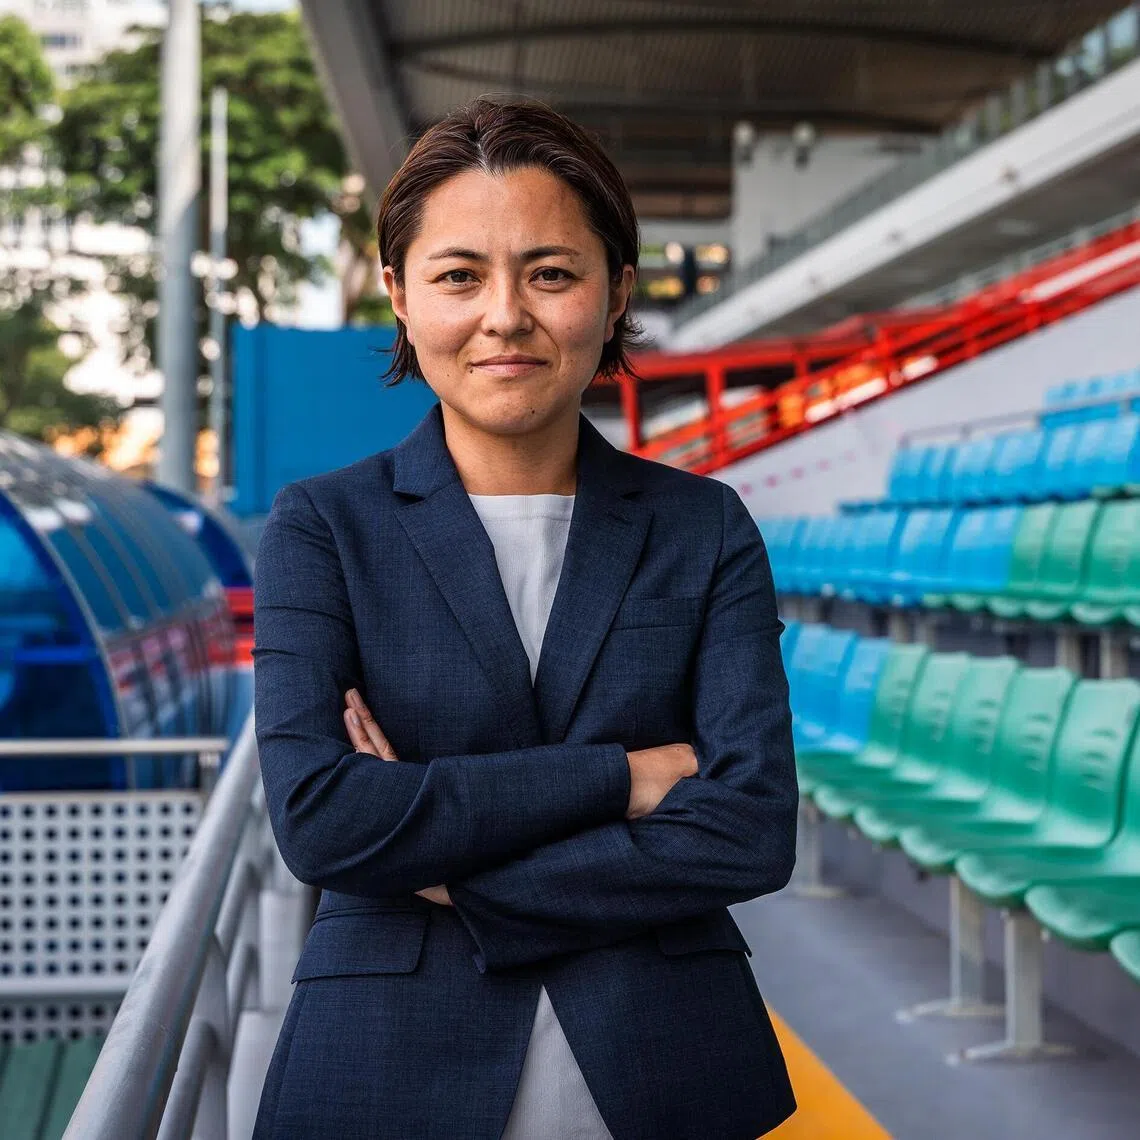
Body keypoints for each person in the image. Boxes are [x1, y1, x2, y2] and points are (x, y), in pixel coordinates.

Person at [251, 96, 798, 1140]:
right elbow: (323, 820)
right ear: (400, 295)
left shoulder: (702, 525)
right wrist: (624, 777)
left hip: (669, 1063)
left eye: (551, 272)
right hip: (385, 1065)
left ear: (616, 290)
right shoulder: (324, 527)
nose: (506, 314)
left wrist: (446, 857)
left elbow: (748, 829)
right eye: (460, 275)